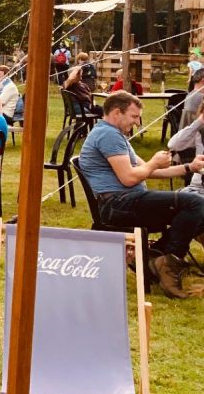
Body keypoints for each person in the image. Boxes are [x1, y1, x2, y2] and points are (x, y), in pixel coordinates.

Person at [78, 91, 204, 298]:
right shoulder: (107, 135)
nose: (137, 123)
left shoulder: (115, 135)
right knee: (194, 204)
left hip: (125, 202)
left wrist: (189, 167)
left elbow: (146, 171)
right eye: (134, 116)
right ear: (117, 113)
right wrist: (154, 162)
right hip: (118, 205)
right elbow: (129, 178)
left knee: (198, 208)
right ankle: (169, 263)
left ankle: (154, 258)